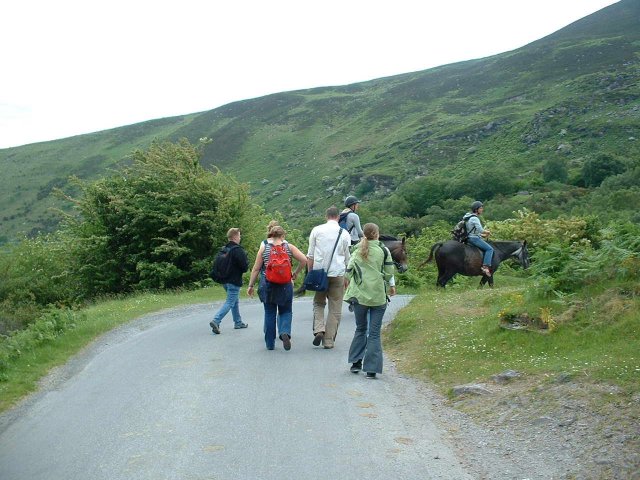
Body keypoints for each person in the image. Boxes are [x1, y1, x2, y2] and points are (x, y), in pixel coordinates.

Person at [344, 223, 396, 379]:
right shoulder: (384, 250)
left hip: (359, 297)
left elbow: (348, 271)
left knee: (360, 329)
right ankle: (371, 369)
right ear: (377, 234)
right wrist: (387, 283)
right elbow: (389, 273)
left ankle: (355, 363)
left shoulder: (357, 250)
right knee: (374, 333)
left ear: (364, 235)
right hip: (378, 297)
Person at [247, 224, 307, 350]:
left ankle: (270, 344)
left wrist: (251, 285)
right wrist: (295, 273)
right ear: (282, 235)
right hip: (285, 284)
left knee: (270, 313)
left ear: (271, 235)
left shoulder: (264, 248)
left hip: (268, 284)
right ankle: (284, 332)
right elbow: (304, 260)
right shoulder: (289, 247)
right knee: (286, 311)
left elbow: (256, 268)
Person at [306, 206, 351, 349]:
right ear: (338, 217)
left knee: (318, 303)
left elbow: (310, 255)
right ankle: (329, 341)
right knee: (335, 308)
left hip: (320, 274)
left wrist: (310, 273)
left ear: (326, 216)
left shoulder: (316, 230)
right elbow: (347, 258)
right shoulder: (344, 233)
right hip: (338, 273)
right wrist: (347, 277)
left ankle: (319, 329)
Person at [209, 228, 249, 334]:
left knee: (234, 300)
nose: (240, 238)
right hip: (234, 280)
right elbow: (244, 267)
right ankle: (216, 320)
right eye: (239, 235)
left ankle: (238, 322)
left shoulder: (224, 249)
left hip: (224, 281)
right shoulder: (237, 250)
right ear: (235, 237)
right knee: (230, 301)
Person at [464, 201, 493, 276]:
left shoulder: (468, 216)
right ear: (476, 209)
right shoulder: (475, 218)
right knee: (490, 249)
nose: (482, 209)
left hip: (469, 237)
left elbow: (473, 230)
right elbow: (480, 229)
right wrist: (487, 232)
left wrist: (482, 235)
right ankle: (485, 267)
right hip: (474, 239)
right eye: (480, 208)